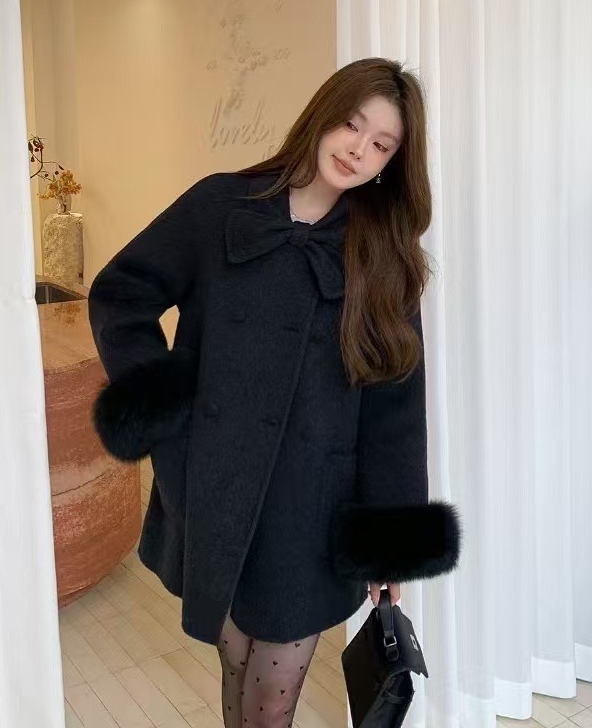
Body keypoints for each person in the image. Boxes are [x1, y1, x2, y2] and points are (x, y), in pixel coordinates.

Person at [88, 57, 462, 728]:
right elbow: (122, 293)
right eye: (353, 125)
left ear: (392, 164)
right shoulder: (220, 206)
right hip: (214, 485)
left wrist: (390, 540)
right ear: (324, 114)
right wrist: (166, 411)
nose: (359, 149)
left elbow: (395, 411)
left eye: (382, 145)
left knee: (271, 699)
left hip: (313, 504)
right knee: (235, 667)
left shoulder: (384, 255)